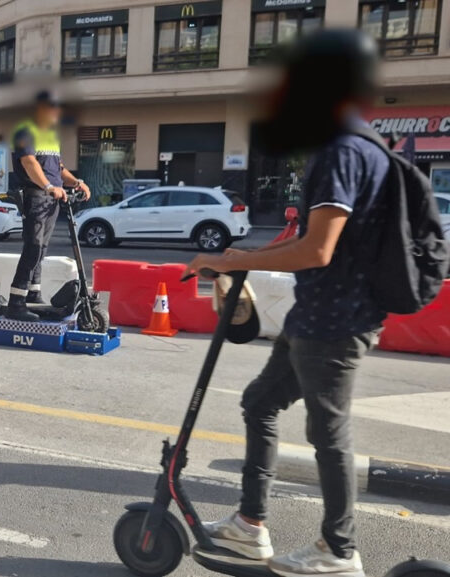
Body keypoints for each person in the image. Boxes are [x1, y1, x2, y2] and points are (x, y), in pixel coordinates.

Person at [185, 29, 388, 577]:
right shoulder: (351, 145)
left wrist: (229, 264)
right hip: (318, 314)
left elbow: (319, 250)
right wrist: (245, 254)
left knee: (328, 432)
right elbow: (310, 241)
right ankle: (251, 526)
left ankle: (339, 551)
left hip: (336, 320)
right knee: (261, 402)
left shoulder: (341, 151)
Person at [5, 91, 90, 321]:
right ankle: (16, 302)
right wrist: (49, 186)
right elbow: (29, 162)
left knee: (41, 248)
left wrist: (77, 182)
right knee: (32, 247)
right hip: (36, 195)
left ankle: (33, 294)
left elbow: (58, 168)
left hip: (52, 198)